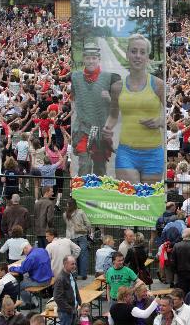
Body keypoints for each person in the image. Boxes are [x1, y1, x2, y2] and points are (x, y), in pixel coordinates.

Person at [103, 34, 165, 185]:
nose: (138, 56)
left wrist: (160, 121)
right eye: (134, 51)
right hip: (126, 153)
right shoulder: (117, 87)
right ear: (127, 54)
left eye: (142, 52)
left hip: (153, 153)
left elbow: (170, 114)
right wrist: (107, 128)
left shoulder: (158, 85)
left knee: (148, 203)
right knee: (130, 199)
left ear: (147, 57)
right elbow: (113, 116)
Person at [71, 43, 118, 177]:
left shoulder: (109, 78)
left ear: (99, 59)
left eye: (94, 58)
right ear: (84, 59)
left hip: (100, 130)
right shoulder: (75, 77)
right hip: (82, 129)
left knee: (100, 168)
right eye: (88, 58)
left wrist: (110, 99)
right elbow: (73, 97)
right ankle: (81, 196)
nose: (91, 61)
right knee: (85, 165)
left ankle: (99, 197)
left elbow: (118, 110)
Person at [9, 242, 53, 310]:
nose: (24, 254)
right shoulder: (41, 250)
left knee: (19, 286)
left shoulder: (31, 257)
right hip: (48, 277)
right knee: (26, 278)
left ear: (25, 249)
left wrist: (11, 268)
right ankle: (33, 298)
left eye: (23, 252)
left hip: (41, 281)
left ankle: (31, 304)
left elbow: (22, 270)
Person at [63, 200, 91, 280]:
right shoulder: (81, 212)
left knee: (73, 255)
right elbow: (88, 223)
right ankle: (83, 274)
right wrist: (86, 229)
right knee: (83, 255)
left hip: (70, 237)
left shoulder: (65, 215)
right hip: (81, 235)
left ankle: (74, 274)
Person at [53, 256, 81, 325]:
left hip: (73, 310)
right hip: (65, 312)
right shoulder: (61, 279)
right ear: (65, 264)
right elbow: (57, 297)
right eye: (72, 264)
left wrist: (79, 302)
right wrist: (69, 309)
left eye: (75, 264)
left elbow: (75, 289)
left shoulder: (70, 274)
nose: (74, 266)